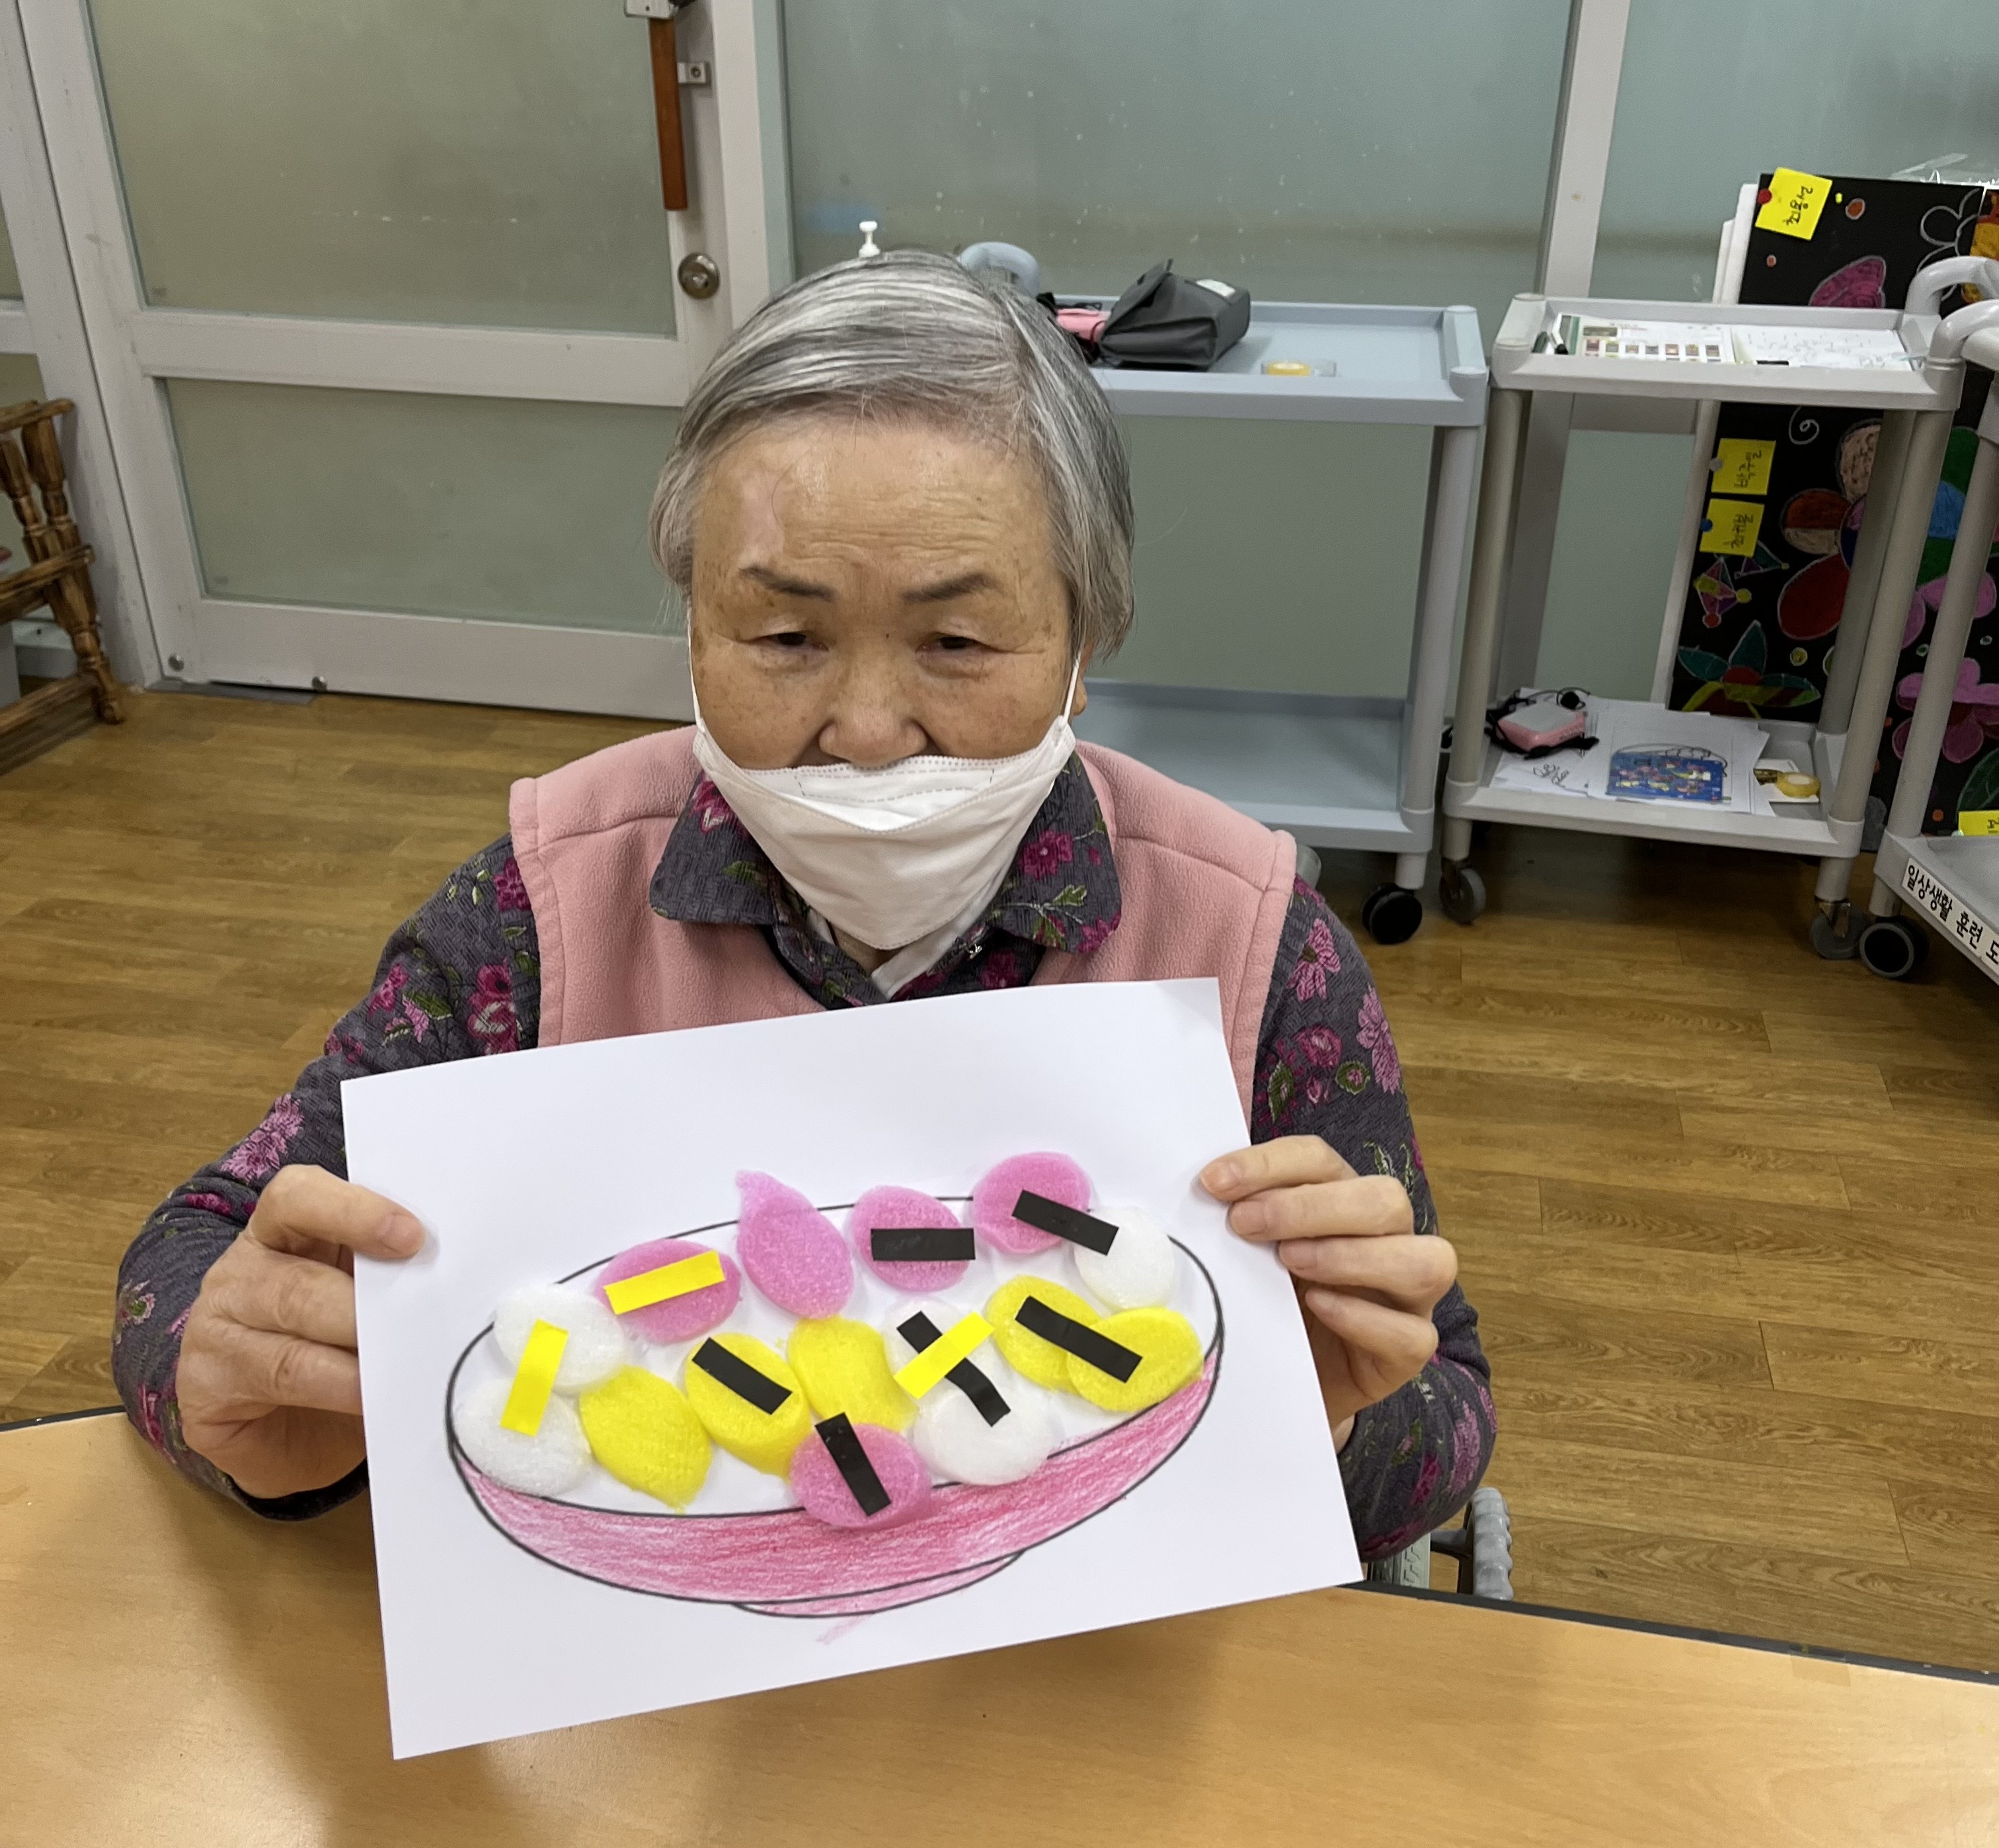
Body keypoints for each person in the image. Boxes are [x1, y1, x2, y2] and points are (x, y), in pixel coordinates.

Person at [114, 252, 1493, 1564]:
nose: (869, 730)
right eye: (784, 637)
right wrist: (249, 1398)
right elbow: (198, 1247)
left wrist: (1325, 1417)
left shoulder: (1250, 943)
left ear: (1086, 643)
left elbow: (1445, 1410)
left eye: (958, 641)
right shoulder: (535, 921)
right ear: (693, 629)